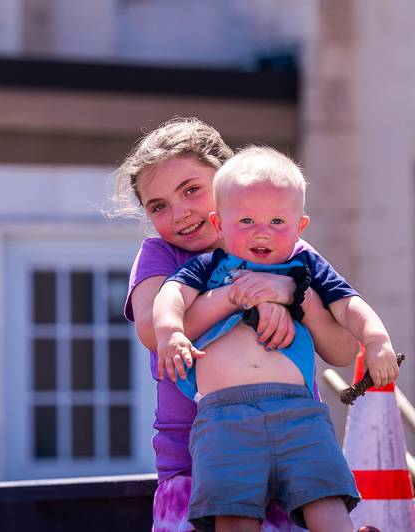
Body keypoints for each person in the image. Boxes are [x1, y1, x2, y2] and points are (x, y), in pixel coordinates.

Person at [113, 118, 360, 532]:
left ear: (227, 178)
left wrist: (290, 294)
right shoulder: (161, 256)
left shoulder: (290, 251)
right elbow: (153, 331)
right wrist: (239, 296)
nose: (180, 213)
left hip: (293, 458)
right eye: (158, 206)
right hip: (195, 463)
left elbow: (342, 350)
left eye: (191, 189)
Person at [153, 146, 399, 531]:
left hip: (299, 412)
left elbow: (349, 305)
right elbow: (171, 296)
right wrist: (170, 333)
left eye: (277, 221)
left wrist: (377, 341)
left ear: (300, 227)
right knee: (232, 514)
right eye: (246, 220)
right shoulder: (210, 266)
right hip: (223, 416)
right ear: (220, 222)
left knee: (325, 499)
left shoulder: (305, 265)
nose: (262, 231)